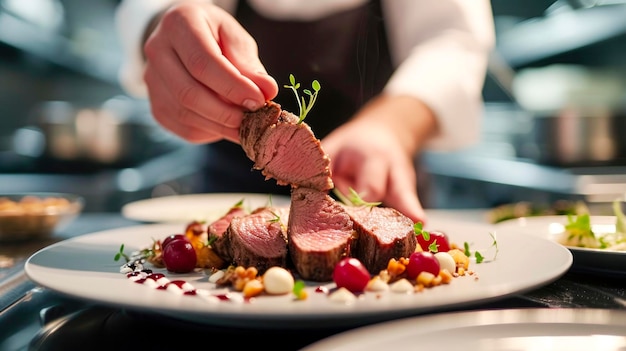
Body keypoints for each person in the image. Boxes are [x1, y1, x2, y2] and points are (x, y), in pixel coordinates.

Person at [114, 0, 495, 225]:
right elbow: (154, 9)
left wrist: (390, 128)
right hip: (229, 189)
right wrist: (165, 29)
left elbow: (453, 39)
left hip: (376, 189)